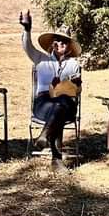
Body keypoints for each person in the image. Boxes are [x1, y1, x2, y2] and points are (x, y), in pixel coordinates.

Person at [19, 10, 82, 170]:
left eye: (64, 41)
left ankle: (45, 134)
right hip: (43, 102)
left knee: (61, 103)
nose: (60, 44)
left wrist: (72, 85)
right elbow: (27, 47)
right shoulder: (41, 58)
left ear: (69, 45)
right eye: (57, 40)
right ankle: (56, 159)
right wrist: (27, 29)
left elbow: (77, 90)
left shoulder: (73, 64)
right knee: (57, 108)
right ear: (52, 43)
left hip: (67, 103)